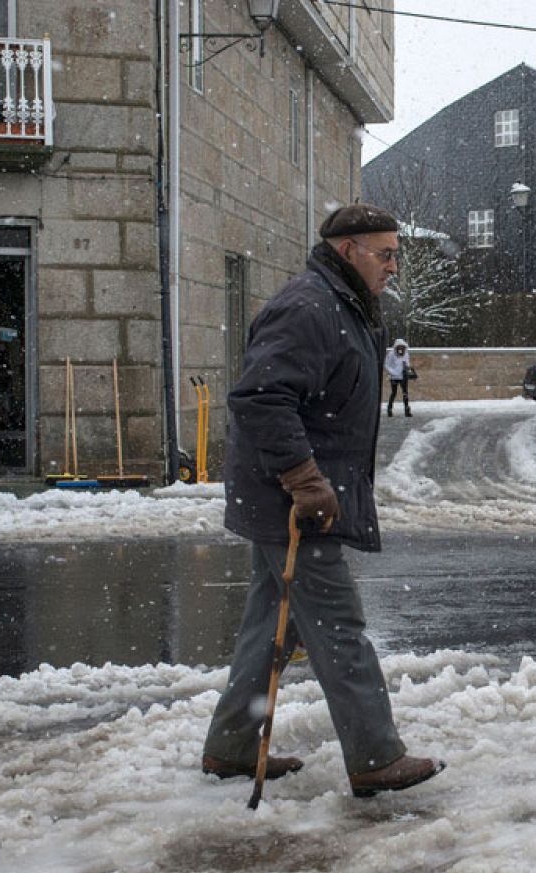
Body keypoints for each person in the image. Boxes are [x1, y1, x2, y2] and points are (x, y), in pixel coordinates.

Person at [201, 203, 445, 798]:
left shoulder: (346, 308)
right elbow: (260, 398)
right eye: (384, 253)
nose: (393, 265)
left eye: (396, 254)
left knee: (271, 629)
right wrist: (305, 478)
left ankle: (232, 748)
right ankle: (375, 756)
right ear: (348, 251)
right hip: (292, 502)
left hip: (292, 498)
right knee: (338, 627)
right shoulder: (311, 307)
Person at [384, 338, 412, 417]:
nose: (401, 349)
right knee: (393, 393)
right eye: (399, 347)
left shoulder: (406, 354)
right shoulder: (391, 354)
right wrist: (393, 372)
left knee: (405, 393)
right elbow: (386, 365)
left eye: (402, 347)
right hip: (394, 377)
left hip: (403, 376)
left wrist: (408, 369)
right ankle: (389, 409)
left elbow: (407, 363)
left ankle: (407, 410)